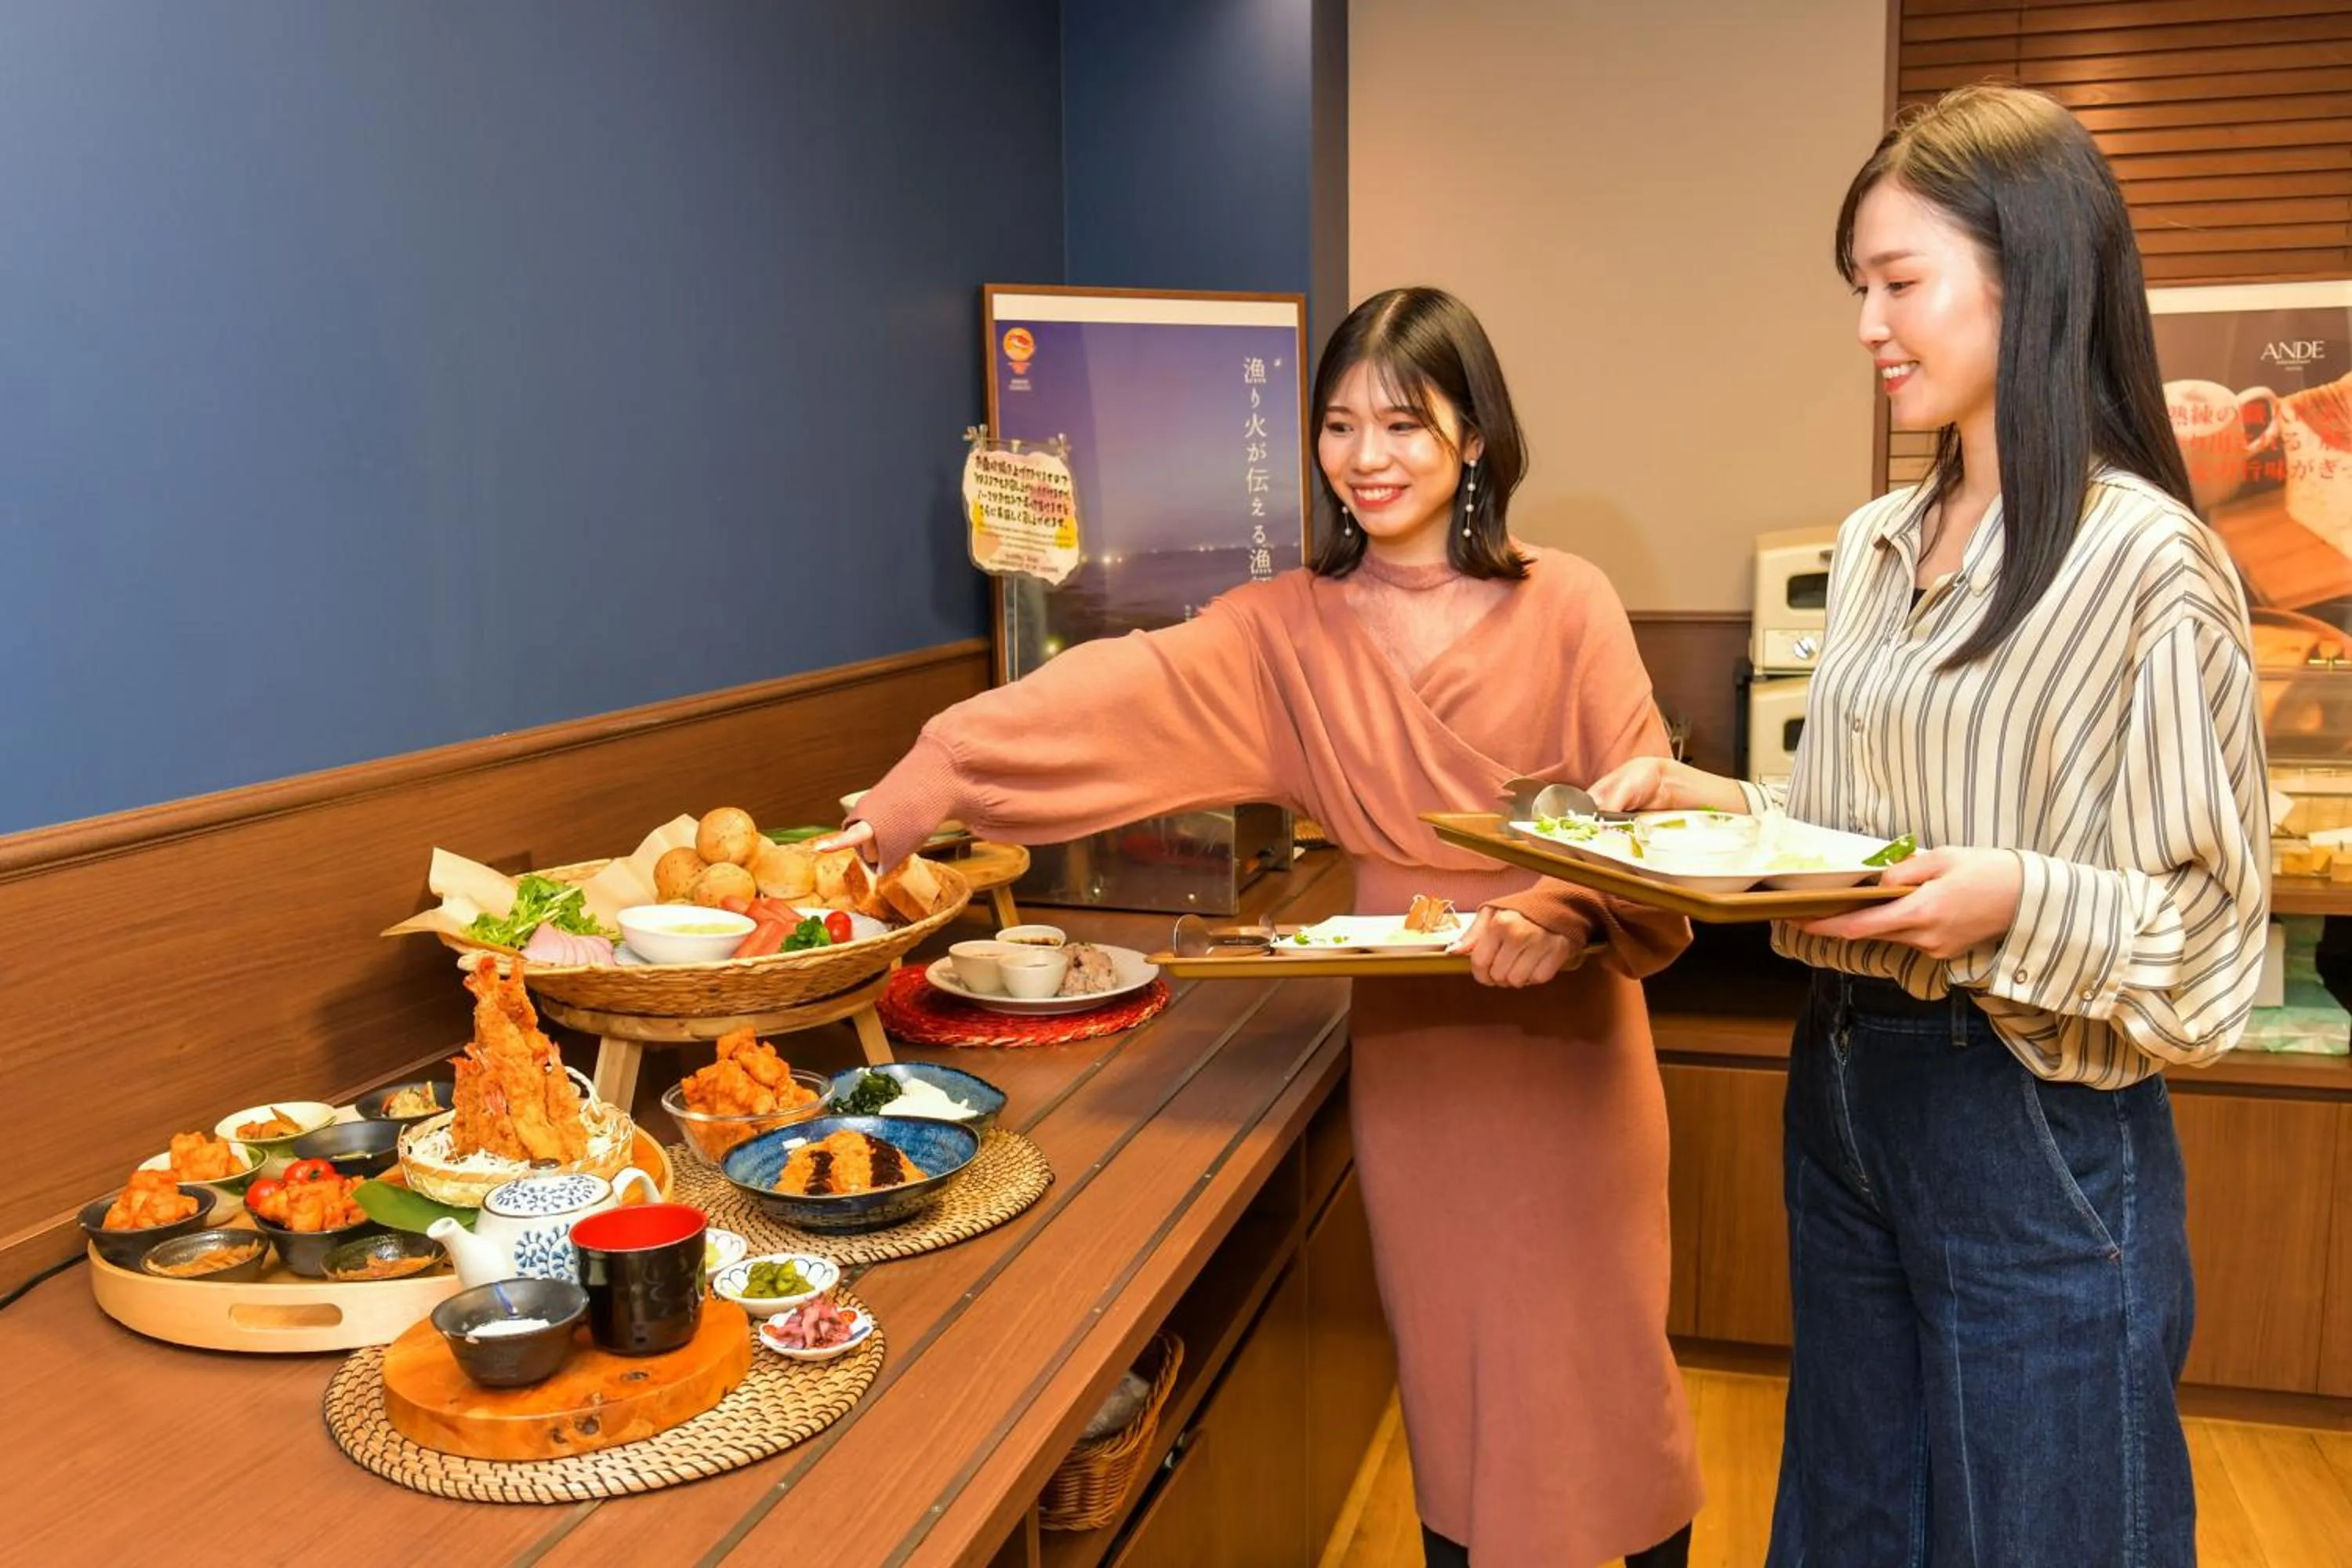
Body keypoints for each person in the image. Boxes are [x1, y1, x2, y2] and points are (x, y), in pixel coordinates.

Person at [822, 287, 1700, 1566]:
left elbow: (1643, 832)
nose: (1367, 456)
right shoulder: (1285, 627)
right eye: (1339, 425)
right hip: (1419, 1058)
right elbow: (1121, 689)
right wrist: (935, 771)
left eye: (1404, 422)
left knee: (1606, 1377)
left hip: (1569, 1059)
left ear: (1475, 439)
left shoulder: (1568, 601)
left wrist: (1562, 911)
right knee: (1458, 1384)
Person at [1592, 85, 2269, 1565]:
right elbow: (1869, 834)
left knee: (2043, 1530)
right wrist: (1720, 809)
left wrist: (2015, 899)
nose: (1867, 326)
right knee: (1853, 1520)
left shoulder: (2149, 564)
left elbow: (2218, 950)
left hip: (2021, 1110)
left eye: (1899, 284)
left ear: (2029, 278)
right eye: (1859, 289)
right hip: (1841, 1081)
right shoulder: (1880, 538)